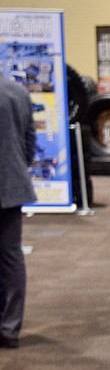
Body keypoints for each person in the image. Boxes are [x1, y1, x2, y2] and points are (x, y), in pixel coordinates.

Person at [0, 74, 37, 349]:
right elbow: (29, 142)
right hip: (11, 187)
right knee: (11, 257)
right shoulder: (18, 92)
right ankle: (9, 328)